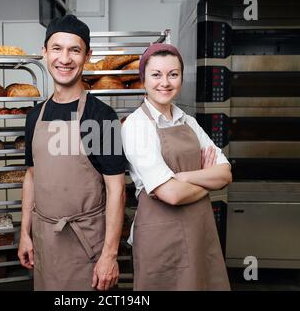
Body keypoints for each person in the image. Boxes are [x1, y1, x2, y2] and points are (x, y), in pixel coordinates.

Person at [18, 15, 126, 291]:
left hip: (86, 245)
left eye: (74, 50)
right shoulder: (34, 116)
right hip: (45, 240)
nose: (64, 59)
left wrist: (109, 256)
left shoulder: (102, 116)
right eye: (57, 48)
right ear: (44, 52)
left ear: (87, 55)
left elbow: (116, 189)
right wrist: (24, 233)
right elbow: (31, 176)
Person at [121, 43, 232, 290]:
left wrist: (182, 176)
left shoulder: (188, 121)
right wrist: (206, 180)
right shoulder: (136, 126)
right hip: (161, 238)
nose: (165, 82)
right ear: (143, 79)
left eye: (173, 74)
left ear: (181, 77)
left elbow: (225, 173)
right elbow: (170, 194)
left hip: (199, 231)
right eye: (156, 74)